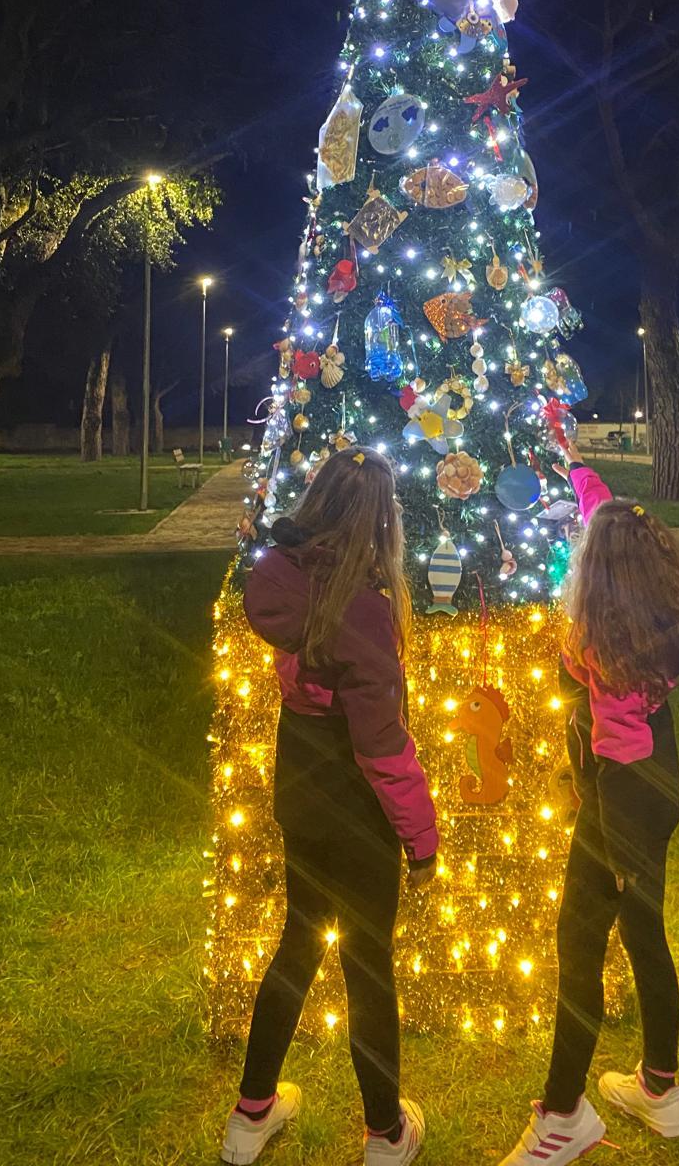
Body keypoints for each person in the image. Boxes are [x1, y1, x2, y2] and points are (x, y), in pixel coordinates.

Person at [498, 443, 679, 1165]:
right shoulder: (643, 585)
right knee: (646, 935)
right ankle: (660, 1088)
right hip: (663, 783)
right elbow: (601, 501)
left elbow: (609, 755)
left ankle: (563, 1117)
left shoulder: (612, 651)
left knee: (581, 943)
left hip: (624, 802)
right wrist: (566, 462)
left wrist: (612, 843)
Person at [221, 447, 437, 1166]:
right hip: (356, 804)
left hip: (301, 792)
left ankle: (250, 1118)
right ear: (379, 522)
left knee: (299, 940)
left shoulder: (282, 580)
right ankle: (385, 1133)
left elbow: (301, 674)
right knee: (368, 962)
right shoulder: (364, 612)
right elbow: (382, 749)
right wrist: (422, 837)